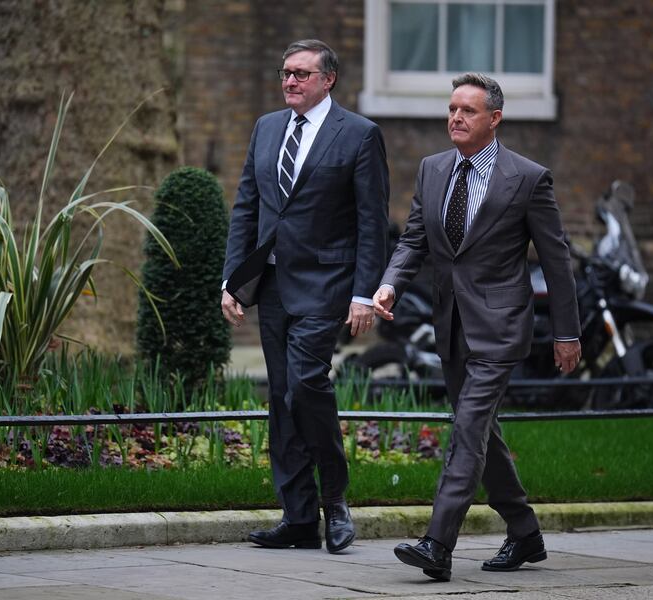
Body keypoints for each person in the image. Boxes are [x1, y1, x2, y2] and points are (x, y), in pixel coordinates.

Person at [373, 72, 581, 581]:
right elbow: (415, 239)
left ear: (494, 118)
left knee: (466, 430)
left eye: (468, 110)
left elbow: (556, 262)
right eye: (451, 109)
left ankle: (437, 544)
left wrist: (566, 332)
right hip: (451, 325)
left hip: (502, 325)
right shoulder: (432, 169)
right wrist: (390, 284)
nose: (456, 118)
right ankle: (525, 533)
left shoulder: (529, 178)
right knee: (483, 430)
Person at [221, 39, 389, 554]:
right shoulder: (267, 127)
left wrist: (363, 294)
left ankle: (334, 501)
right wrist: (231, 280)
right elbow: (246, 205)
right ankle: (297, 518)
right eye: (285, 73)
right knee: (280, 397)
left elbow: (371, 222)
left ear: (327, 79)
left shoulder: (360, 135)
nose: (289, 81)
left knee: (306, 384)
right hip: (272, 285)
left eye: (300, 74)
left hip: (326, 287)